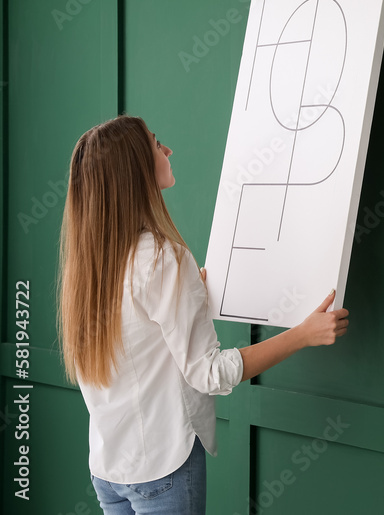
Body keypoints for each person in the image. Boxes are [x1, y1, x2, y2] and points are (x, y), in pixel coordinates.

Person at [57, 115, 350, 515]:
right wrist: (302, 334)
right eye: (157, 143)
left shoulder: (89, 264)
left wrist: (187, 296)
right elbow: (209, 374)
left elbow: (137, 336)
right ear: (135, 168)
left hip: (109, 471)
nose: (168, 150)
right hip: (162, 469)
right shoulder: (161, 258)